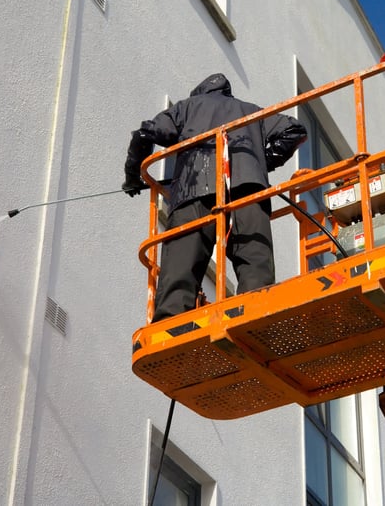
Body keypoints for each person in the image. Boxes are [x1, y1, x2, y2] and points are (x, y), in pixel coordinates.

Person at [123, 73, 307, 324]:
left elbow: (145, 135)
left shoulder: (187, 107)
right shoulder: (251, 111)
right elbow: (295, 130)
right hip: (248, 189)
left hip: (193, 190)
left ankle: (170, 323)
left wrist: (133, 176)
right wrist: (258, 163)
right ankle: (254, 313)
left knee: (181, 265)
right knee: (255, 263)